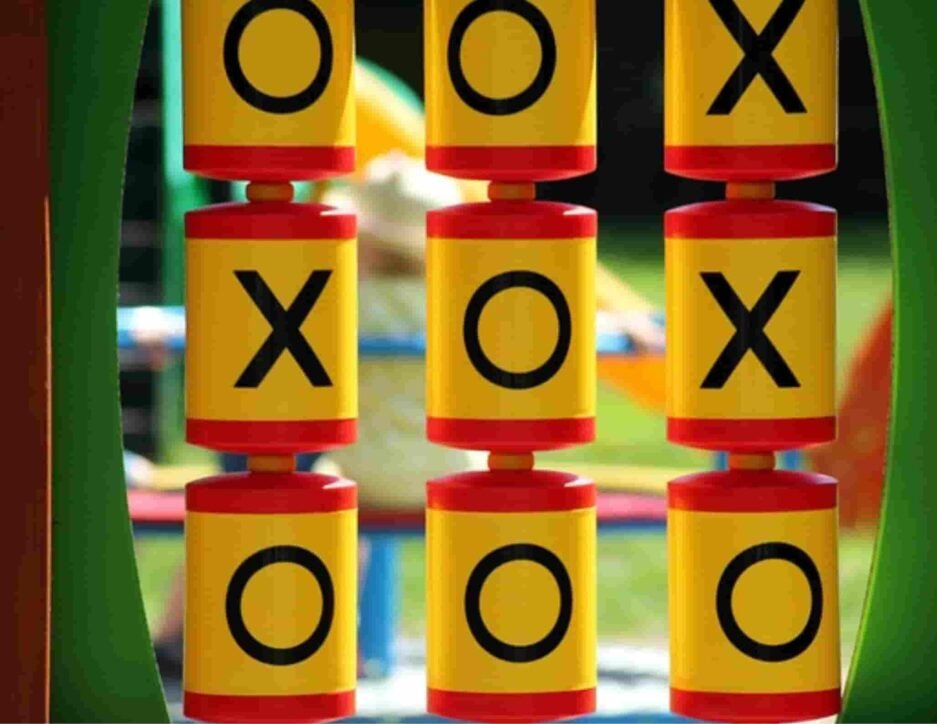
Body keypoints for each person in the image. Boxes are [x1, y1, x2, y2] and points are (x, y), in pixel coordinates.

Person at [151, 151, 665, 676]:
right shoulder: (466, 298)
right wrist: (625, 322)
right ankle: (484, 645)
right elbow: (549, 321)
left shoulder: (336, 297)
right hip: (447, 471)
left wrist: (170, 330)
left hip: (362, 472)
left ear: (364, 239)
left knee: (294, 504)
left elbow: (245, 321)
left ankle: (296, 640)